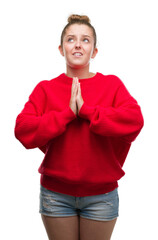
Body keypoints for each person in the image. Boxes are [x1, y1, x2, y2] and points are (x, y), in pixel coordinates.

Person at [14, 14, 144, 240]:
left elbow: (134, 121)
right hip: (56, 195)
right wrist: (67, 114)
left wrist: (86, 111)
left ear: (94, 51)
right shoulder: (45, 89)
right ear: (61, 48)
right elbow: (23, 130)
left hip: (101, 195)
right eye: (70, 39)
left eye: (85, 40)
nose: (77, 44)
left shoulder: (111, 85)